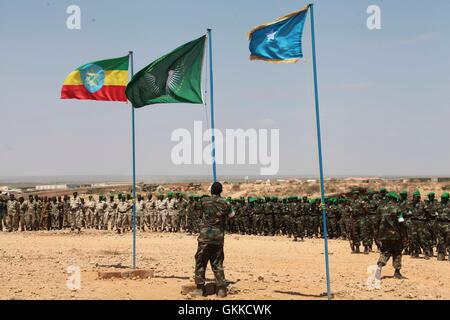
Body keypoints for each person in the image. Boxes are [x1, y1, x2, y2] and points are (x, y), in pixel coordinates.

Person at [190, 182, 235, 298]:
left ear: (211, 191)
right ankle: (221, 290)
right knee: (217, 263)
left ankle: (200, 289)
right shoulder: (226, 203)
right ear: (221, 191)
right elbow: (232, 215)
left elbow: (194, 208)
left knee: (201, 262)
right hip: (218, 237)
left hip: (205, 237)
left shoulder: (204, 201)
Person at [375, 192, 408, 279]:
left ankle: (379, 267)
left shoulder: (380, 208)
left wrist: (376, 236)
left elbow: (376, 223)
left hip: (383, 236)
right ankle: (397, 273)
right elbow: (401, 222)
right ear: (395, 199)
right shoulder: (397, 209)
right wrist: (405, 236)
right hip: (395, 236)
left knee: (385, 252)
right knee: (397, 253)